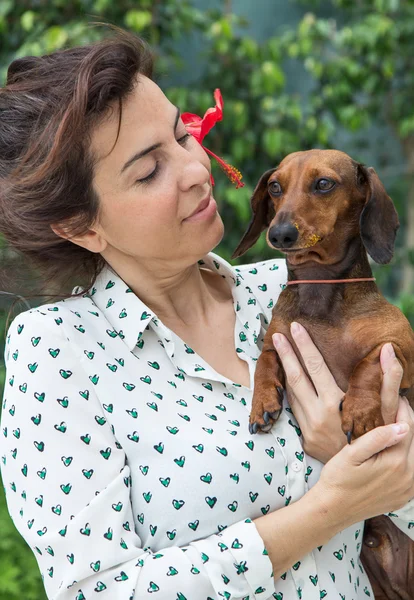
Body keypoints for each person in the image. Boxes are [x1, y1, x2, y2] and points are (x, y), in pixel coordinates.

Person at [0, 28, 413, 600]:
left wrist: (379, 454)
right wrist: (331, 508)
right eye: (148, 172)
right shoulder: (59, 351)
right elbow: (95, 591)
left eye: (183, 135)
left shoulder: (296, 291)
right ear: (81, 226)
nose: (197, 169)